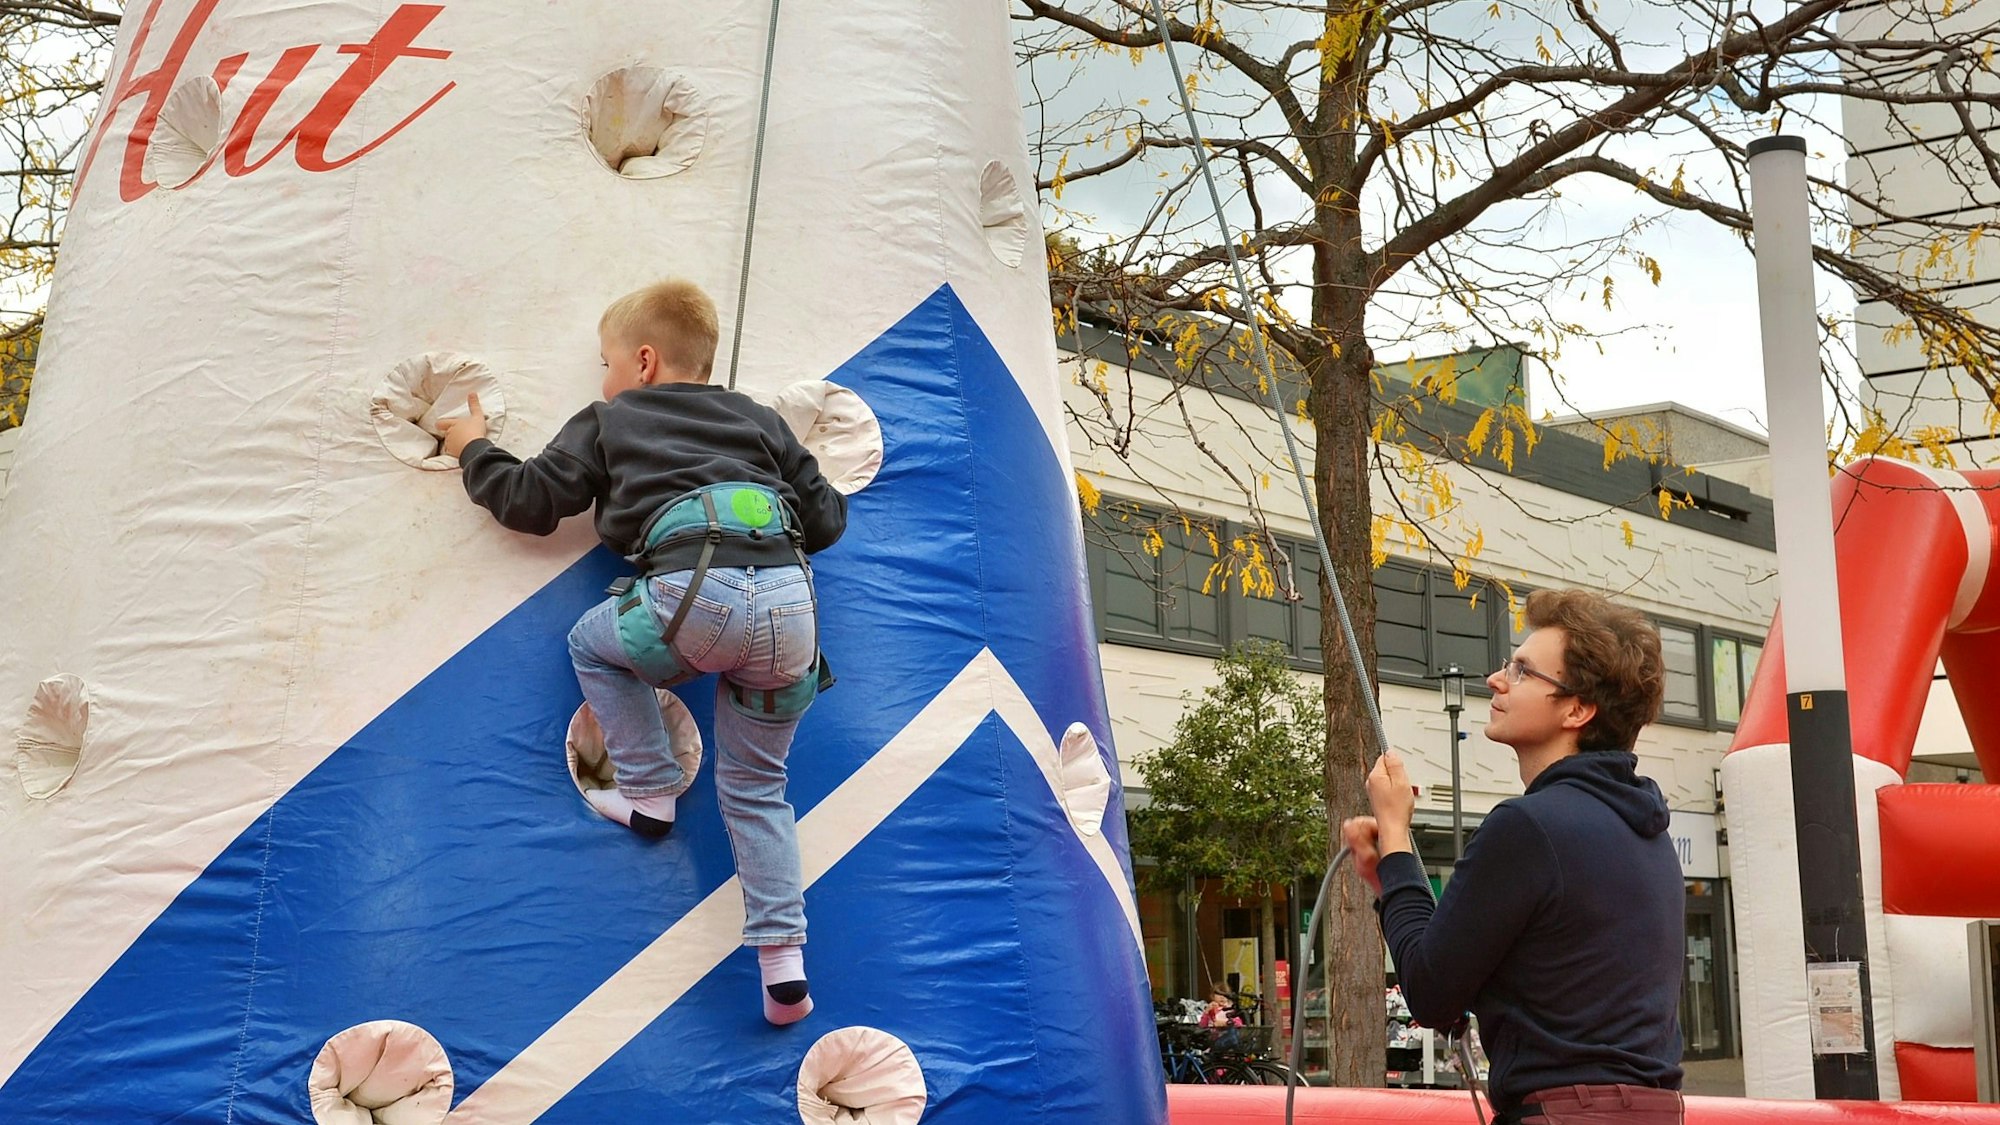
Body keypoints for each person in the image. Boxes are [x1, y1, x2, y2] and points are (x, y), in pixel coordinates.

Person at [438, 279, 846, 1026]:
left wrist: (473, 448)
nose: (603, 377)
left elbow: (530, 499)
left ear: (645, 361)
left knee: (593, 646)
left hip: (692, 599)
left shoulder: (610, 418)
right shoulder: (758, 420)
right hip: (794, 615)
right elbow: (825, 522)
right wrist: (787, 464)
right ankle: (784, 966)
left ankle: (651, 789)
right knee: (758, 787)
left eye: (606, 361)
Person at [1341, 588, 1684, 1125]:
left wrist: (1395, 834)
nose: (1496, 680)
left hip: (1560, 1114)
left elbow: (1431, 993)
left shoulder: (1528, 827)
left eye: (1523, 672)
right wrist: (1394, 875)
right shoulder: (1646, 831)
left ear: (1577, 708)